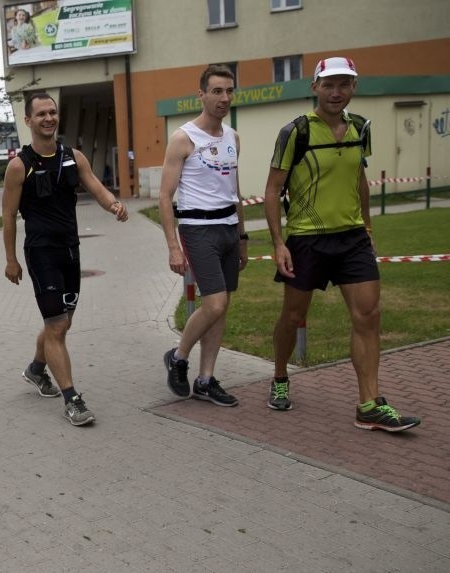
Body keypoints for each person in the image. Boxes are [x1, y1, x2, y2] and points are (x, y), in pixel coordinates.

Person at [263, 57, 420, 432]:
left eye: (345, 85)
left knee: (368, 315)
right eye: (329, 84)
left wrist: (367, 225)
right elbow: (271, 191)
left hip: (351, 239)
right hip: (306, 239)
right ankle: (281, 376)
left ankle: (368, 403)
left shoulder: (361, 127)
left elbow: (360, 179)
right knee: (294, 317)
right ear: (315, 87)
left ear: (354, 88)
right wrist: (279, 242)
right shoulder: (295, 132)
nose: (337, 92)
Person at [2, 92, 128, 426]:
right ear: (28, 120)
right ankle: (72, 399)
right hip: (41, 253)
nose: (48, 118)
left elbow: (96, 187)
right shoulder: (19, 166)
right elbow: (8, 214)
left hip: (71, 251)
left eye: (52, 113)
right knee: (57, 325)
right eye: (40, 114)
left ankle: (36, 369)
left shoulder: (73, 157)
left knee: (61, 323)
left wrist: (114, 204)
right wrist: (10, 259)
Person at [158, 64, 247, 407]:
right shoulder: (184, 138)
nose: (225, 98)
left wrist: (242, 238)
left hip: (227, 228)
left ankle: (206, 379)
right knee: (215, 302)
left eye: (229, 91)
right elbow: (165, 196)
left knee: (221, 309)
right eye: (217, 91)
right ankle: (178, 357)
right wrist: (173, 247)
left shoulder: (233, 137)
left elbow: (234, 191)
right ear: (202, 95)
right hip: (197, 230)